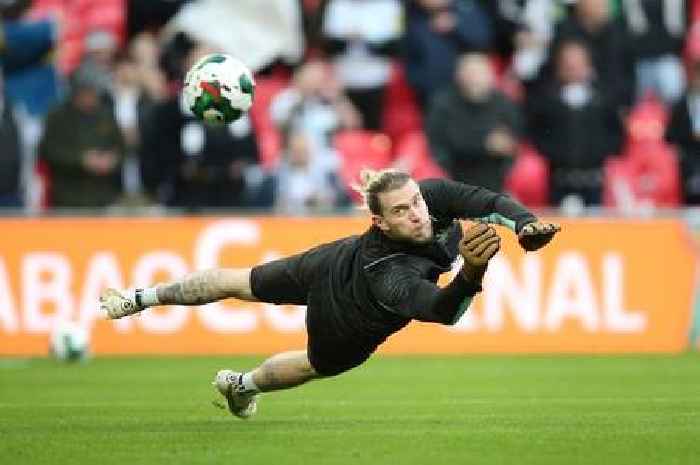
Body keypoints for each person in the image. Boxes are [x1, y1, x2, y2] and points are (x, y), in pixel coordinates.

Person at [100, 169, 560, 419]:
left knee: (243, 282)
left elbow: (485, 201)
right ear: (380, 222)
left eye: (417, 202)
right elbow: (443, 312)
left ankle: (143, 301)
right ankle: (236, 382)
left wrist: (525, 224)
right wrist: (472, 274)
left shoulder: (431, 200)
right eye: (402, 211)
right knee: (308, 358)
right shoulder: (390, 273)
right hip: (349, 315)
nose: (419, 214)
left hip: (338, 274)